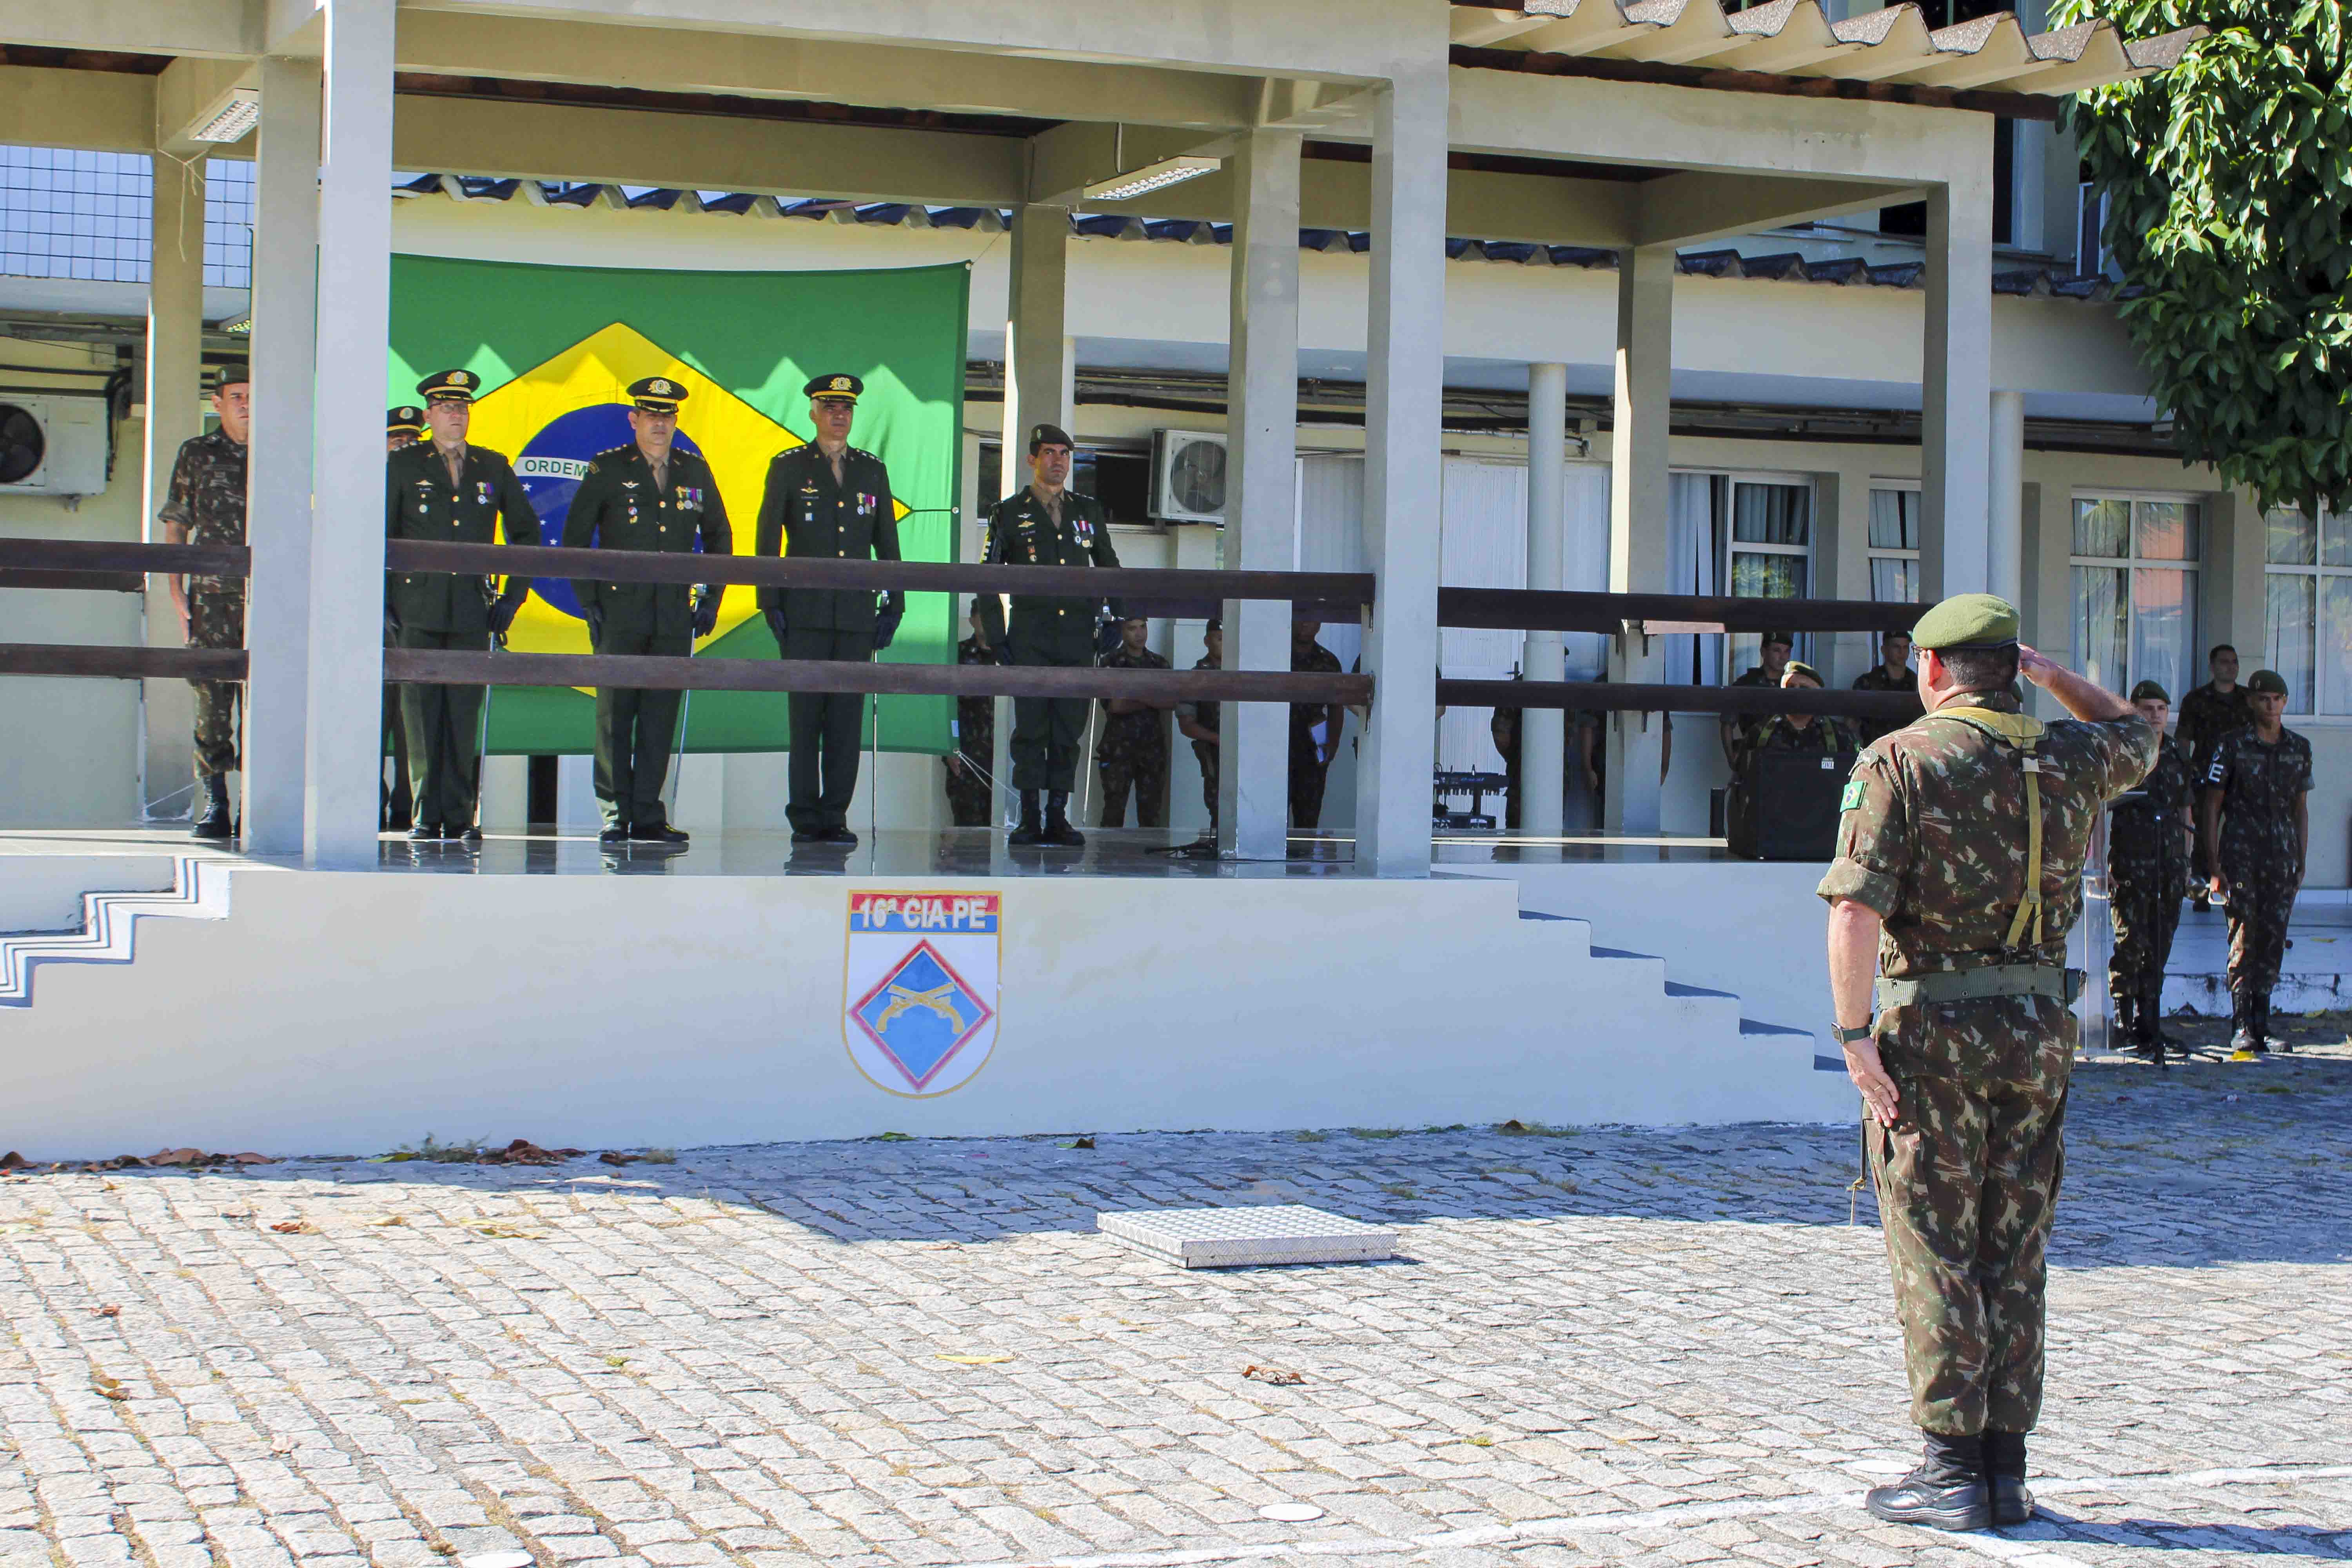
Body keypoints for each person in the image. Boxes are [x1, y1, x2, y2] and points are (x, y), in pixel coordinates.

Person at [1820, 593, 2154, 1534]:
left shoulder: (1902, 761)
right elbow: (2135, 728)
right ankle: (2007, 1467)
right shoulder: (2071, 754)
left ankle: (1949, 1466)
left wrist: (1854, 1038)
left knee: (1935, 1242)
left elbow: (1853, 910)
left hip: (1935, 1033)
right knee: (2015, 1241)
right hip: (2039, 1028)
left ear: (1931, 672)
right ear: (2011, 668)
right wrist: (2053, 680)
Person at [563, 376, 730, 848]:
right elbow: (575, 539)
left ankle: (649, 814)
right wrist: (590, 601)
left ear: (677, 420)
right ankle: (617, 814)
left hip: (673, 613)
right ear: (635, 419)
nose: (660, 424)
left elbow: (720, 536)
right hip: (619, 611)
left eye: (668, 415)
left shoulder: (694, 471)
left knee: (659, 716)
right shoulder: (609, 469)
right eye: (651, 415)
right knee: (615, 715)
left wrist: (711, 596)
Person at [383, 370, 537, 844]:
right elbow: (379, 537)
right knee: (422, 713)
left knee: (463, 712)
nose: (457, 415)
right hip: (417, 607)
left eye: (463, 408)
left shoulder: (492, 466)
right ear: (428, 416)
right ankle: (428, 813)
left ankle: (462, 812)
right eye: (447, 408)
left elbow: (525, 533)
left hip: (472, 606)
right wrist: (384, 604)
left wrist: (512, 596)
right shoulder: (403, 465)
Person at [755, 373, 902, 847]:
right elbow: (767, 538)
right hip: (804, 612)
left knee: (845, 720)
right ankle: (805, 818)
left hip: (856, 615)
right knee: (805, 719)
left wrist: (894, 603)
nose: (839, 414)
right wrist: (769, 598)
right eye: (830, 406)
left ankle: (834, 815)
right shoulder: (789, 467)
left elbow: (887, 541)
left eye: (847, 407)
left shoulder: (871, 469)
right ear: (814, 413)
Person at [976, 422, 1120, 848]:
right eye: (1049, 453)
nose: (1058, 461)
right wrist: (996, 633)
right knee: (1032, 728)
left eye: (1064, 454)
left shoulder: (1087, 510)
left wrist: (1114, 616)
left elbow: (1109, 565)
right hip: (1030, 634)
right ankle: (1029, 816)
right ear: (1032, 459)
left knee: (1068, 728)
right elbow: (987, 576)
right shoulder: (1008, 511)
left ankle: (1058, 815)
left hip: (1077, 634)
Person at [158, 361, 250, 841]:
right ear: (217, 404)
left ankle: (258, 800)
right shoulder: (198, 453)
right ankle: (217, 801)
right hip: (213, 597)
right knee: (212, 701)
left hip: (268, 600)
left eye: (253, 395)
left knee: (268, 701)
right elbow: (177, 525)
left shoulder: (282, 451)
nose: (246, 405)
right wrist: (176, 591)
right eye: (236, 396)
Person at [2200, 669, 2311, 1057]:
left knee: (2274, 938)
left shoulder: (2298, 747)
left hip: (2281, 857)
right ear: (2252, 702)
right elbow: (2212, 805)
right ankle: (2242, 1023)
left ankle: (2264, 1022)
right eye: (2264, 698)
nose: (2271, 705)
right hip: (2241, 856)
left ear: (2284, 702)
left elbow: (2301, 808)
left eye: (2277, 698)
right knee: (2244, 937)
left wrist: (2301, 858)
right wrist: (2214, 864)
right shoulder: (2231, 745)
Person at [2106, 680, 2194, 1059]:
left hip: (2170, 862)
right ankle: (2124, 1023)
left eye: (2161, 708)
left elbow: (2186, 808)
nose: (2155, 716)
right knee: (2131, 942)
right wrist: (2100, 863)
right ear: (2133, 712)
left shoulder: (2176, 754)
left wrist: (2188, 861)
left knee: (2160, 942)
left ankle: (2150, 1023)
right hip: (2131, 861)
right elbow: (2099, 808)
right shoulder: (2122, 754)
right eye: (2147, 708)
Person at [2176, 644, 2256, 911]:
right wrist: (2184, 772)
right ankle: (2203, 892)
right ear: (2212, 667)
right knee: (2203, 834)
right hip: (2204, 776)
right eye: (2224, 662)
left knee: (2238, 833)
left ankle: (2236, 887)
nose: (2230, 667)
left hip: (2241, 778)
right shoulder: (2196, 700)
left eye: (2234, 662)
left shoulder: (2249, 700)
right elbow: (2184, 740)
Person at [381, 406, 426, 833]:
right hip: (373, 612)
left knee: (410, 714)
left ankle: (407, 804)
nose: (405, 447)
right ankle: (368, 802)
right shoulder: (371, 486)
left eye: (412, 440)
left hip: (416, 610)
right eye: (397, 441)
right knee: (374, 714)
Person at [1095, 617, 1173, 828]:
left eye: (1143, 627)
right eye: (1132, 629)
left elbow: (1171, 702)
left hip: (1152, 748)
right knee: (1113, 811)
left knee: (1151, 814)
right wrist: (1151, 700)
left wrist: (1135, 699)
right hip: (1118, 748)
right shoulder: (1111, 662)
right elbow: (1116, 706)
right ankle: (1108, 859)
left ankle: (1150, 861)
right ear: (1122, 632)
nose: (1139, 634)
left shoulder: (1159, 664)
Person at [1738, 661, 1859, 766]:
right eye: (1790, 687)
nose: (1796, 694)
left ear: (1818, 696)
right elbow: (1741, 784)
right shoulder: (1759, 734)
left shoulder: (1840, 737)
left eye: (1804, 688)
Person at [1288, 617, 1346, 830]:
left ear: (1319, 624)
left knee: (1309, 814)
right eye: (1301, 619)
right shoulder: (1277, 654)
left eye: (1311, 620)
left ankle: (1304, 862)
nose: (1305, 624)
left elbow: (1337, 707)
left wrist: (1333, 744)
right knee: (1271, 813)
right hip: (1277, 739)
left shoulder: (1329, 661)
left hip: (1314, 740)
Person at [944, 600, 997, 829]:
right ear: (972, 620)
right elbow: (944, 703)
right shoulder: (957, 654)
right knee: (968, 830)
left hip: (1006, 757)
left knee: (1006, 829)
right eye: (981, 615)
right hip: (966, 755)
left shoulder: (1012, 657)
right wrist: (946, 748)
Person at [1175, 617, 1222, 842]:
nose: (1226, 644)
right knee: (1219, 811)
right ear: (1207, 641)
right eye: (1220, 638)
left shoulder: (1248, 672)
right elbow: (1186, 724)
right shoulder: (1196, 676)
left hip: (1250, 755)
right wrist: (1219, 739)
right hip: (1214, 754)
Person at [1721, 630, 1794, 766]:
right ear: (1764, 652)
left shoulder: (1795, 685)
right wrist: (1732, 761)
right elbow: (1727, 724)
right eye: (1777, 651)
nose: (1783, 657)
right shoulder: (1747, 684)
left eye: (1787, 652)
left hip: (1792, 761)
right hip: (1757, 760)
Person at [1851, 629, 1916, 746]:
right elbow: (1851, 722)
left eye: (1905, 647)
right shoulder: (1868, 683)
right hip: (1876, 750)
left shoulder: (1916, 683)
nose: (1902, 652)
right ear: (1884, 650)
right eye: (1896, 647)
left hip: (1908, 749)